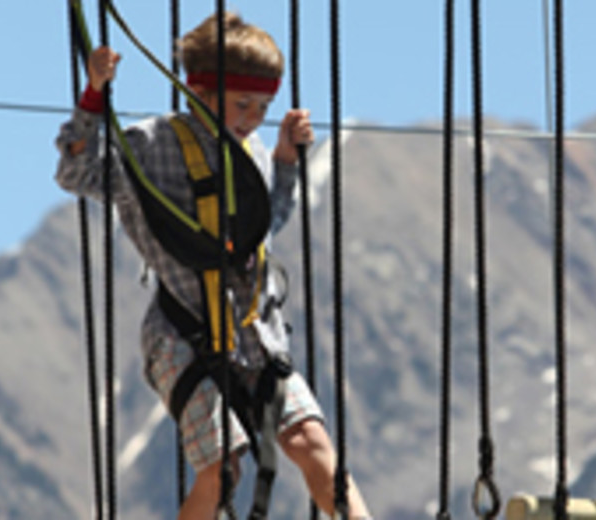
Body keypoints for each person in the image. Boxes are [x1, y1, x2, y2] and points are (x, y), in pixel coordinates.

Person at [55, 11, 371, 520]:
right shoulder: (151, 145)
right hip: (182, 337)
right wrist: (93, 97)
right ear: (199, 92)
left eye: (263, 107)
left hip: (256, 334)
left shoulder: (255, 154)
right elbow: (76, 172)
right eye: (242, 103)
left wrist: (287, 160)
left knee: (314, 443)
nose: (252, 118)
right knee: (223, 465)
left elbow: (264, 224)